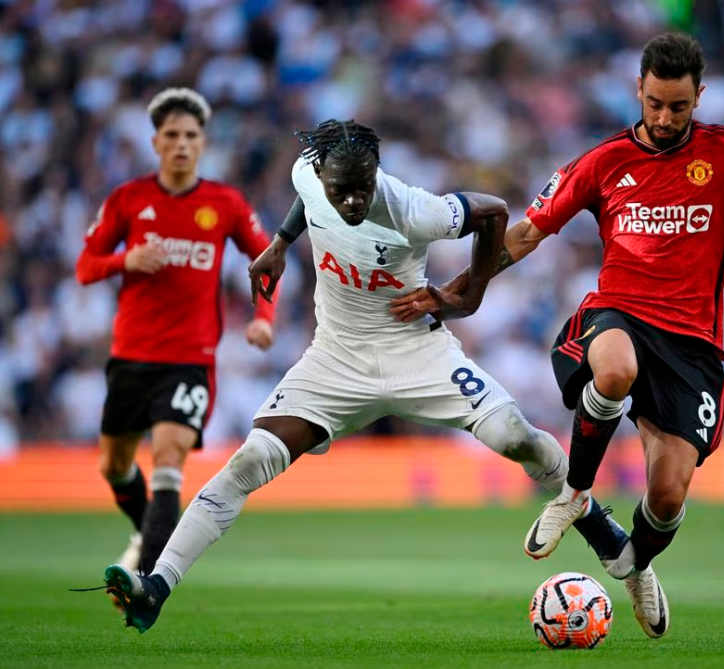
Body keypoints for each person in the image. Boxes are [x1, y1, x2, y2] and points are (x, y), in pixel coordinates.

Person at [388, 32, 724, 638]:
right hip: (616, 313)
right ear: (639, 91)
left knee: (669, 496)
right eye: (655, 104)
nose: (666, 117)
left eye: (679, 106)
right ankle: (574, 494)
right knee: (615, 371)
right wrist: (456, 289)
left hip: (692, 345)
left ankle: (633, 565)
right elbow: (523, 236)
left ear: (699, 96)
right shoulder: (600, 162)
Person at [102, 119, 629, 634]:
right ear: (321, 178)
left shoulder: (414, 209)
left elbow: (493, 212)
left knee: (515, 438)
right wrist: (282, 242)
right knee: (251, 458)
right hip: (336, 358)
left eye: (362, 189)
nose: (353, 201)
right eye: (341, 191)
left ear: (377, 175)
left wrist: (466, 297)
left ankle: (600, 528)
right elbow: (306, 200)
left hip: (416, 352)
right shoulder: (307, 175)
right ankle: (155, 588)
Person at [76, 88, 278, 580]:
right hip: (130, 354)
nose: (182, 144)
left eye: (191, 135)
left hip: (190, 357)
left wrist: (263, 318)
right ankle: (145, 529)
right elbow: (85, 267)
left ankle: (147, 581)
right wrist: (127, 258)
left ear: (203, 143)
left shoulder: (224, 202)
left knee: (168, 458)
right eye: (172, 135)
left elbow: (269, 259)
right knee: (114, 465)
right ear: (155, 142)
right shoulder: (128, 199)